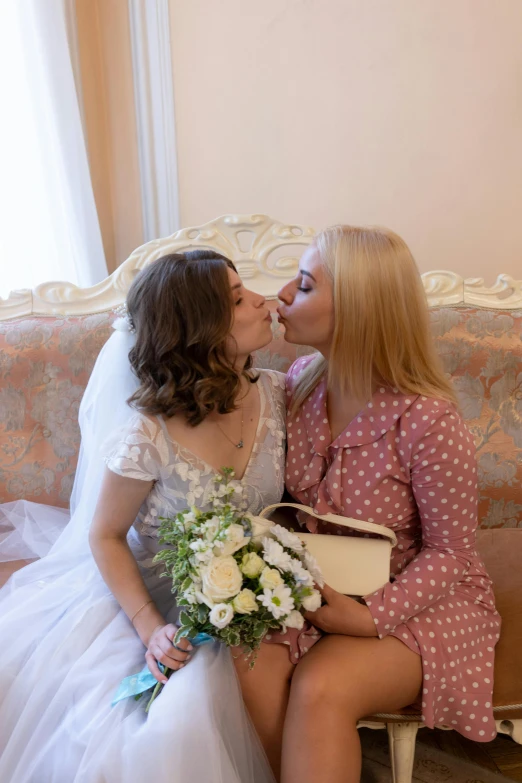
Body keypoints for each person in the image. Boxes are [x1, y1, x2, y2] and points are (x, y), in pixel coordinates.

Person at [0, 250, 287, 783]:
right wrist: (150, 630)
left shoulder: (279, 393)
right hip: (153, 597)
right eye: (237, 298)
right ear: (197, 327)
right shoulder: (147, 434)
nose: (261, 302)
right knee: (159, 732)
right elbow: (104, 534)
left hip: (251, 593)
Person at [274, 226, 501, 783]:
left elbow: (450, 553)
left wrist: (368, 615)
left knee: (319, 686)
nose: (281, 295)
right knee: (239, 659)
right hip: (324, 585)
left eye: (303, 286)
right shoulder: (299, 382)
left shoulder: (428, 420)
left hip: (419, 597)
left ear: (356, 308)